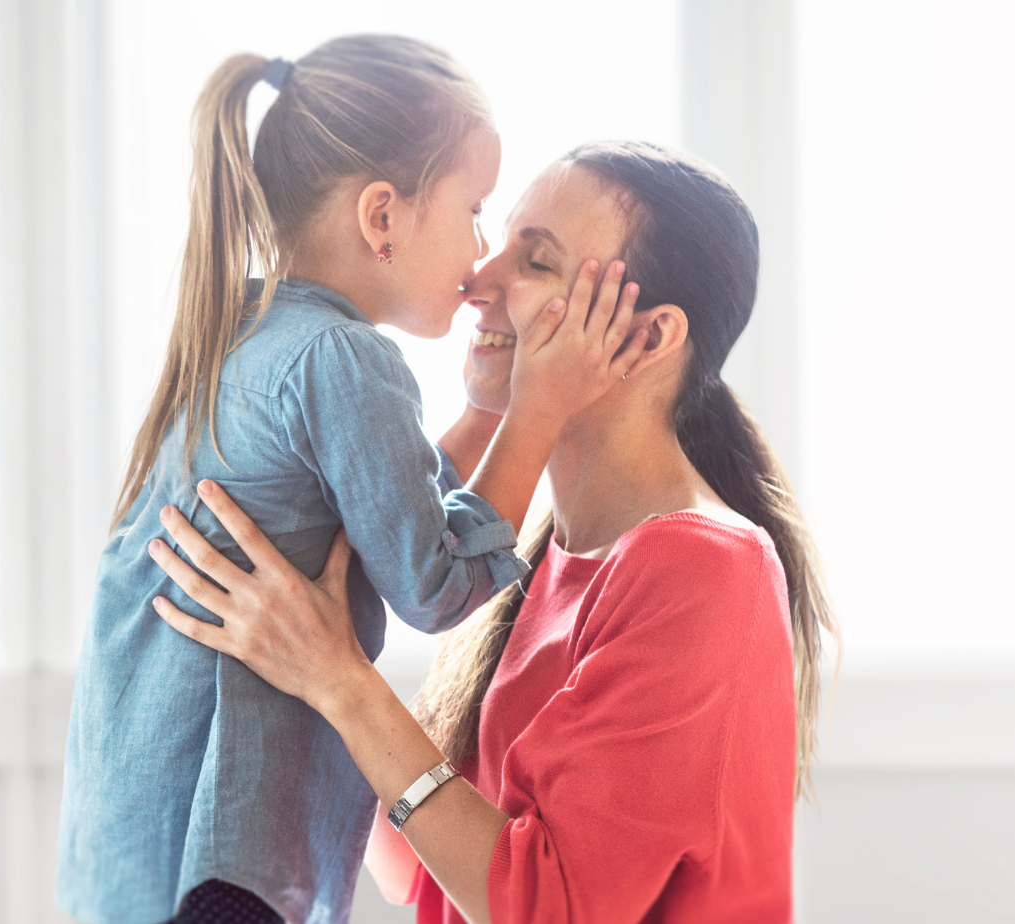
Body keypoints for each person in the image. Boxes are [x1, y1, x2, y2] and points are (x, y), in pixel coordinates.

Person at [147, 141, 839, 923]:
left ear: (647, 338)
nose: (477, 279)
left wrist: (340, 681)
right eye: (498, 238)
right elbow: (419, 870)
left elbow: (550, 907)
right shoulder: (540, 553)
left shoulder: (703, 571)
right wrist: (307, 638)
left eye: (536, 262)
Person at [54, 38, 655, 924]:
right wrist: (538, 409)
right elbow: (434, 579)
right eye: (476, 209)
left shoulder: (244, 335)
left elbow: (382, 506)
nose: (480, 252)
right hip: (230, 845)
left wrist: (493, 406)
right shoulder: (347, 359)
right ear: (382, 216)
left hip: (138, 834)